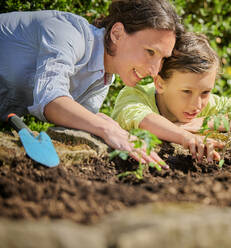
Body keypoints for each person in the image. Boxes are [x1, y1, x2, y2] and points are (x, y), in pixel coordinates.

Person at [0, 0, 184, 167]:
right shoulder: (67, 33)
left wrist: (111, 126)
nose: (154, 70)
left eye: (162, 59)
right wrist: (107, 128)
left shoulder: (103, 78)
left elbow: (77, 117)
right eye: (150, 52)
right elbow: (51, 100)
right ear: (117, 33)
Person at [111, 32, 231, 163]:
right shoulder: (134, 94)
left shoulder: (208, 105)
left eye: (205, 92)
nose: (197, 104)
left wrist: (201, 123)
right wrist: (185, 136)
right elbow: (146, 121)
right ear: (160, 84)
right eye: (186, 92)